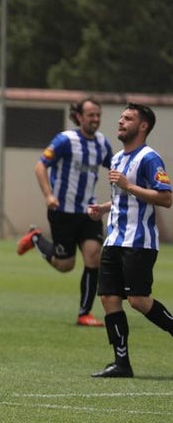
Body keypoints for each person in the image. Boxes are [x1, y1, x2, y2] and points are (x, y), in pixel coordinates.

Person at [85, 103, 173, 378]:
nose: (120, 122)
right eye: (121, 117)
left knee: (137, 300)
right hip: (114, 239)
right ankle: (121, 363)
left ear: (143, 126)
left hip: (139, 242)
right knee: (109, 298)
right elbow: (123, 198)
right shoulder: (117, 158)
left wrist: (128, 185)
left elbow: (166, 197)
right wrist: (103, 207)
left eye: (128, 118)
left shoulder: (149, 158)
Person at [16, 98, 114, 326]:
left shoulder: (102, 144)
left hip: (89, 211)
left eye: (98, 115)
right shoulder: (65, 140)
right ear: (79, 117)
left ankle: (84, 314)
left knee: (93, 256)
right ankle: (37, 238)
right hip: (63, 212)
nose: (95, 119)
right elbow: (40, 166)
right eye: (91, 115)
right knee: (65, 265)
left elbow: (114, 169)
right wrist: (49, 196)